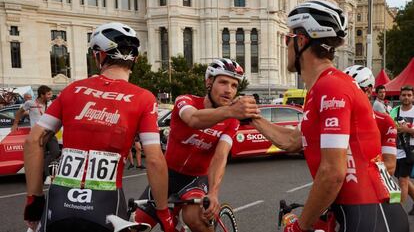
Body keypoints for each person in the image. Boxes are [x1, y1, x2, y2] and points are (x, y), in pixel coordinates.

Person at [251, 0, 408, 231]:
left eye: (288, 39)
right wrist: (253, 118)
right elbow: (293, 140)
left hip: (367, 217)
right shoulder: (324, 87)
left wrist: (300, 225)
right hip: (364, 212)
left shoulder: (330, 87)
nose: (286, 46)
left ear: (301, 41)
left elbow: (333, 172)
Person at [23, 22, 174, 232]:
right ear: (135, 60)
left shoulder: (72, 90)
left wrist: (34, 200)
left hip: (59, 203)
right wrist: (163, 211)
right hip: (106, 208)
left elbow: (33, 141)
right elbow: (156, 160)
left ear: (98, 56)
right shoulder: (144, 98)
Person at [135, 58, 260, 232]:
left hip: (195, 180)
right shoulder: (186, 101)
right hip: (166, 175)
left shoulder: (231, 121)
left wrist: (214, 193)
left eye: (234, 85)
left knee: (194, 218)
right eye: (223, 82)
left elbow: (220, 155)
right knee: (137, 225)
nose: (229, 90)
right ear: (209, 81)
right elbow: (193, 119)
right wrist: (230, 110)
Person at [344, 65, 397, 175]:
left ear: (368, 90)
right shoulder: (338, 118)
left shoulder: (384, 121)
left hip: (370, 186)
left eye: (352, 90)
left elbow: (390, 166)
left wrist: (358, 172)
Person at [13, 85, 59, 185]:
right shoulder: (30, 103)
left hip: (49, 133)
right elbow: (19, 112)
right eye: (48, 94)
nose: (50, 96)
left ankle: (45, 172)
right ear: (42, 95)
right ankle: (47, 176)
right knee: (39, 156)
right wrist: (15, 123)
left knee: (55, 152)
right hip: (36, 134)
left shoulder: (50, 103)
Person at [389, 85, 414, 212]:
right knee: (401, 179)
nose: (406, 97)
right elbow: (388, 127)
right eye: (404, 95)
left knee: (403, 181)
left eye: (409, 95)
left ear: (413, 97)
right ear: (400, 96)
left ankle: (400, 213)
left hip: (410, 151)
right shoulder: (395, 111)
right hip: (394, 150)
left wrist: (406, 129)